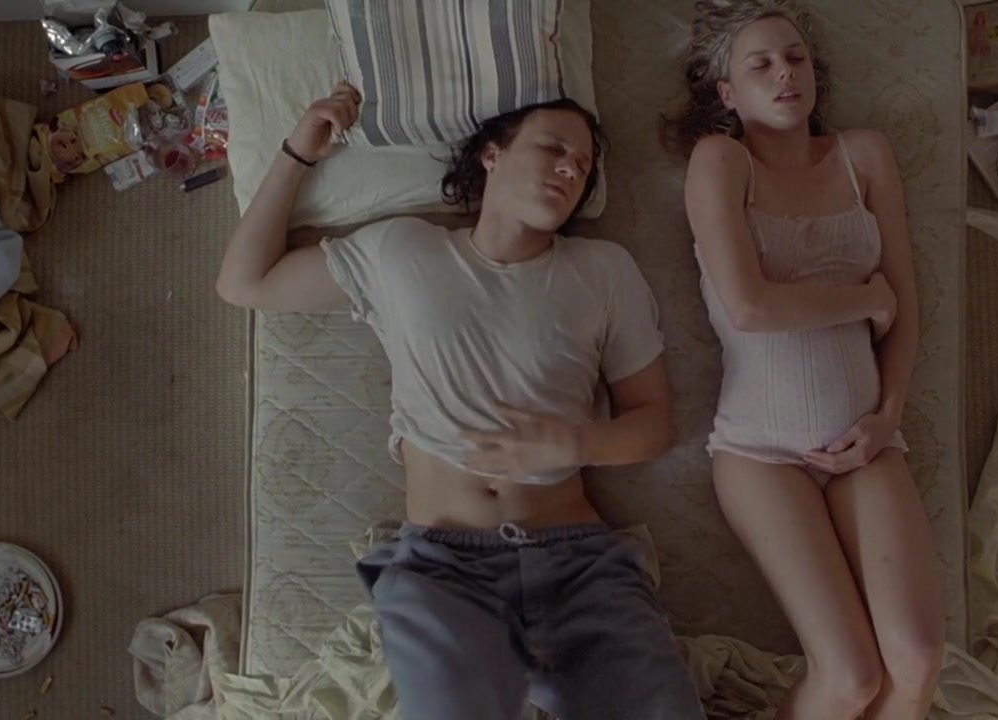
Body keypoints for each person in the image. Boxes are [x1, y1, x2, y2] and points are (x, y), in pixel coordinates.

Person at [216, 83, 705, 720]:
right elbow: (244, 283)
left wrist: (577, 442)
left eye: (584, 166)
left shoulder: (604, 270)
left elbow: (654, 423)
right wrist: (296, 154)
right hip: (444, 567)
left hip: (580, 565)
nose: (570, 169)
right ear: (492, 154)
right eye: (554, 148)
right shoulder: (402, 251)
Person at [664, 2, 943, 719]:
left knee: (917, 659)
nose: (784, 73)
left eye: (795, 58)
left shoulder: (865, 155)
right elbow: (750, 307)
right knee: (851, 678)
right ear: (727, 92)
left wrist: (887, 417)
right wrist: (862, 298)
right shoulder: (721, 160)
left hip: (865, 440)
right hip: (760, 453)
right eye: (759, 64)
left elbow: (905, 304)